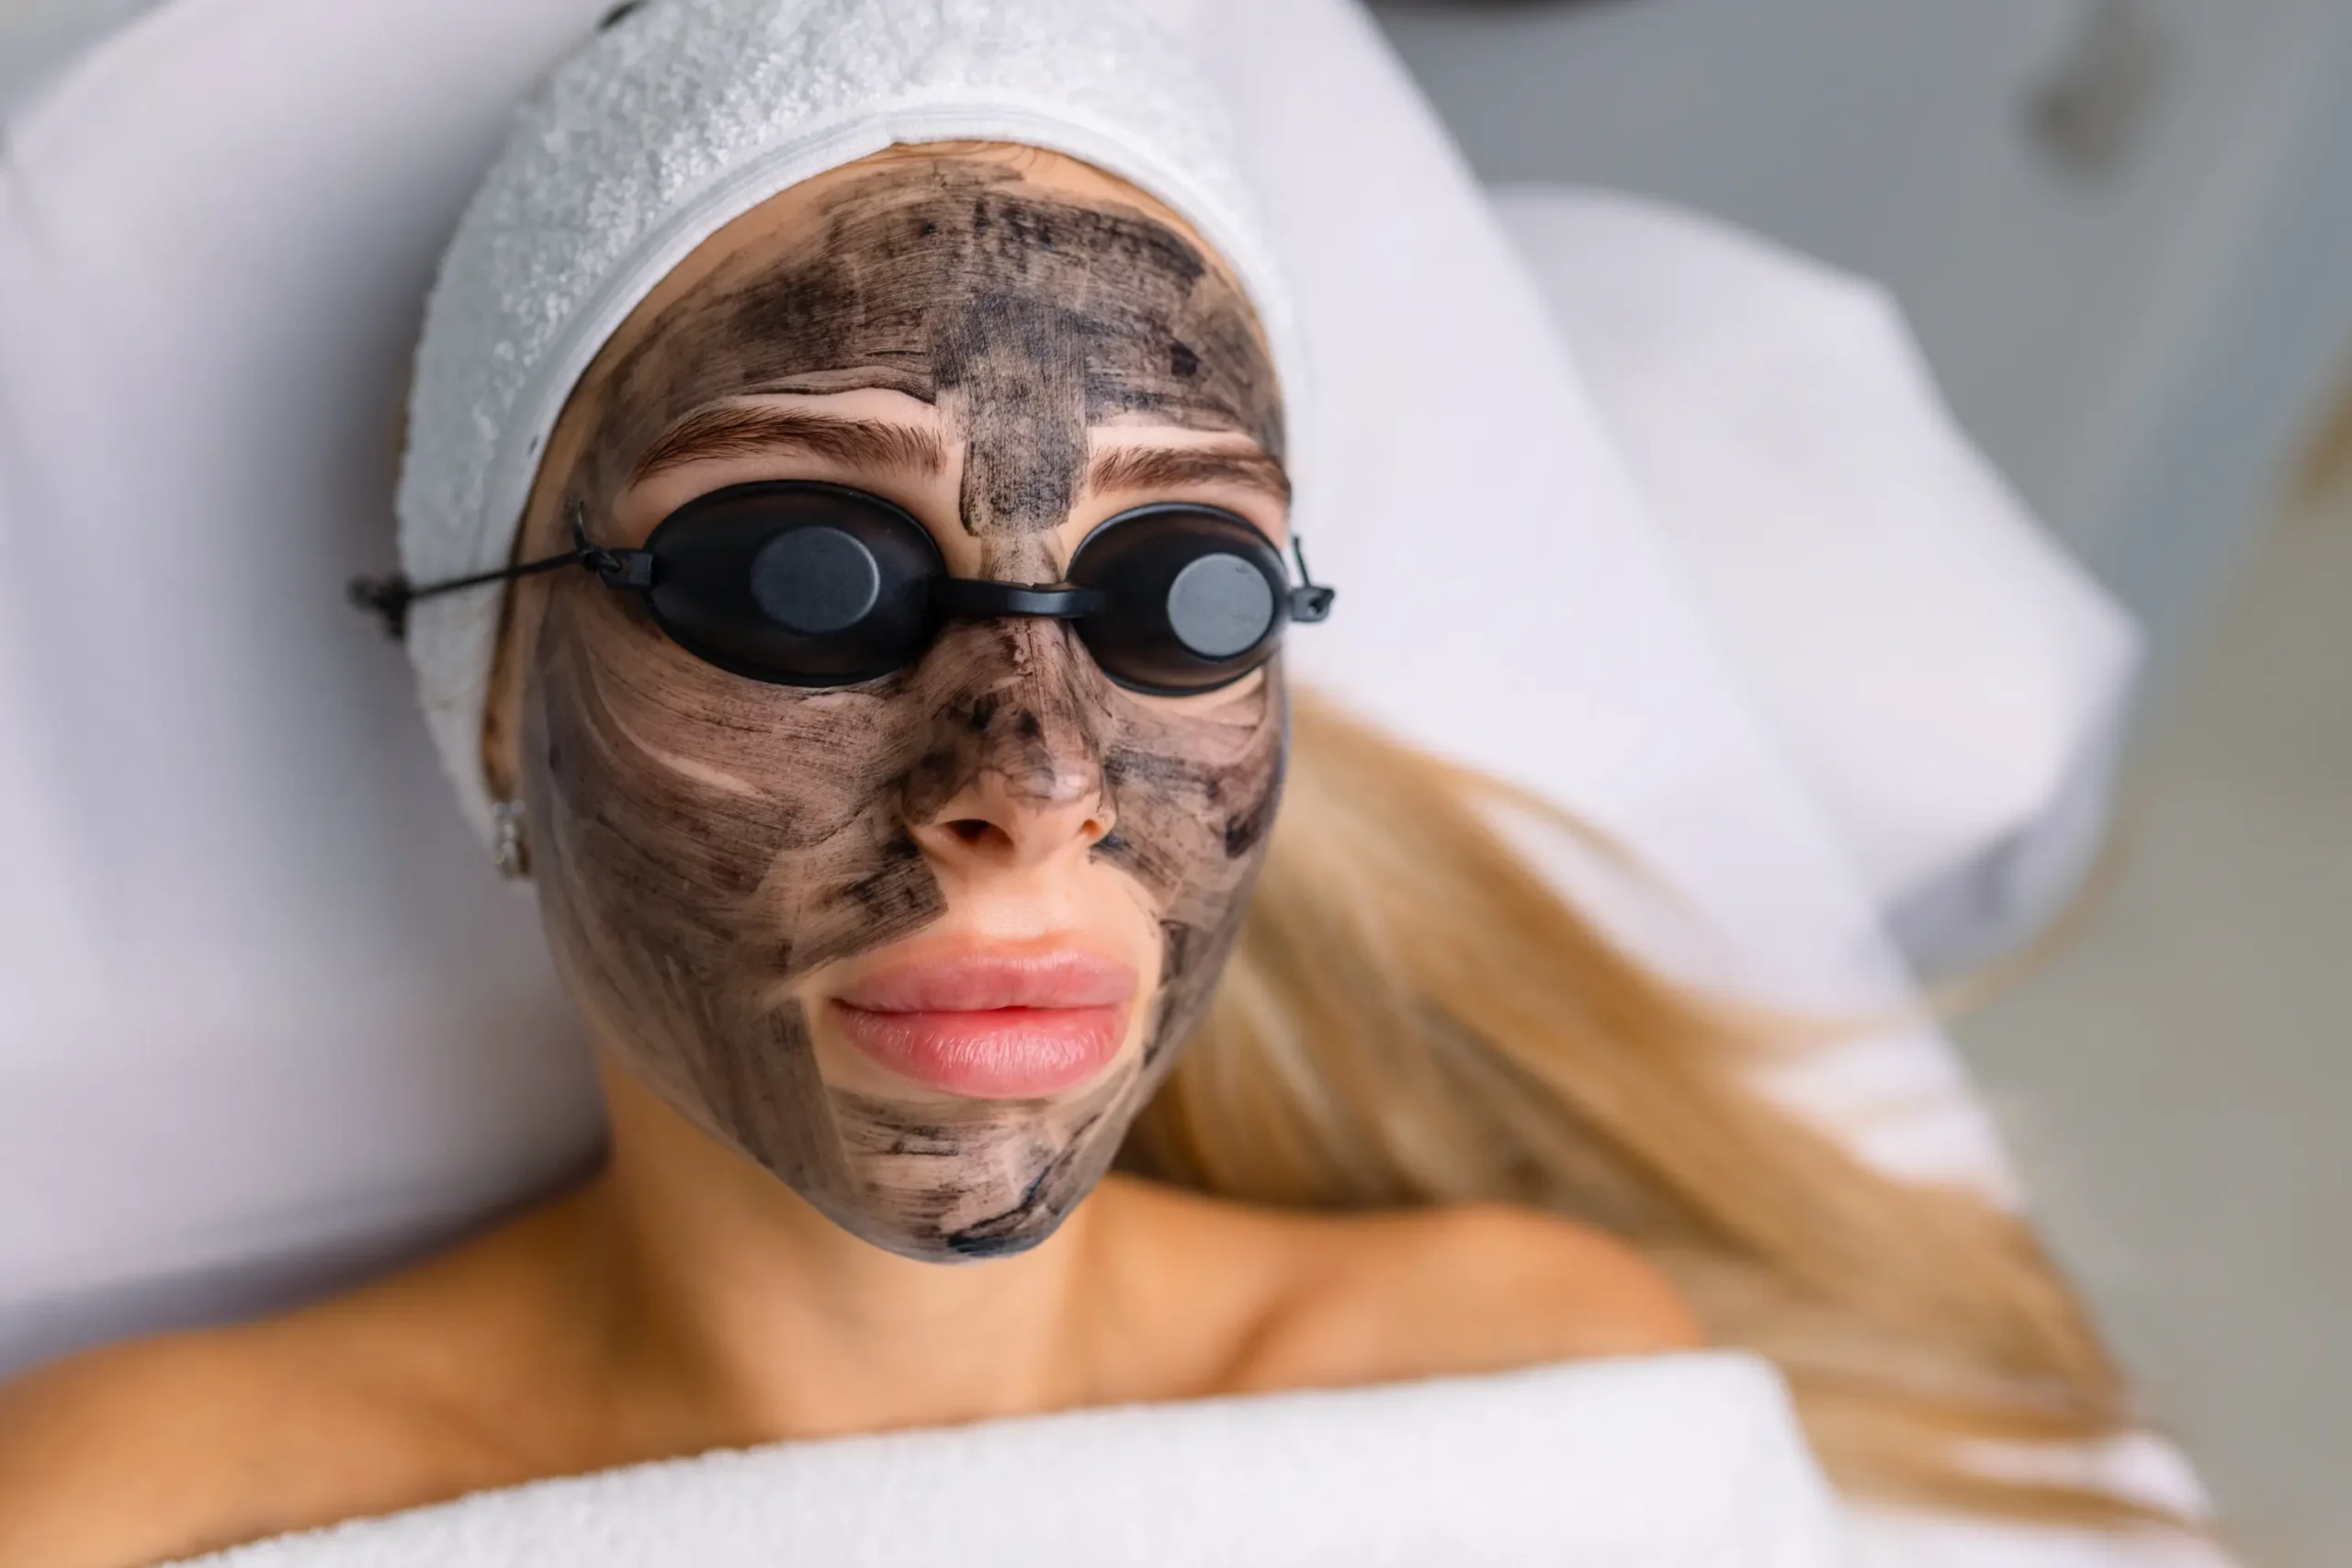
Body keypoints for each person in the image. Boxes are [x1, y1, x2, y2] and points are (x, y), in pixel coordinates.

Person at [0, 3, 2163, 1563]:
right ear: (491, 693)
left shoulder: (1519, 1379)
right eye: (801, 576)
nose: (1030, 781)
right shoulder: (127, 1513)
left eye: (1178, 592)